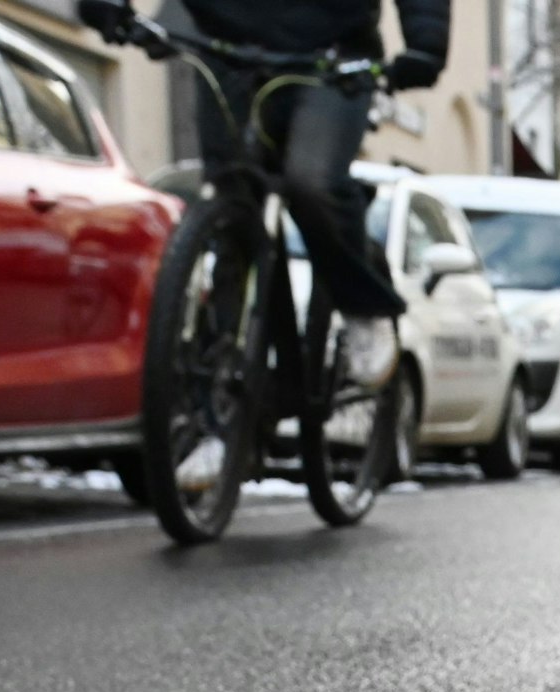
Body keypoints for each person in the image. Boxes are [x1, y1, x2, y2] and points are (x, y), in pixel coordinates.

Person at [78, 0, 446, 396]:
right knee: (232, 199)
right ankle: (224, 374)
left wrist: (426, 44)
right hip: (224, 46)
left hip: (331, 58)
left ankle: (365, 307)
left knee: (312, 183)